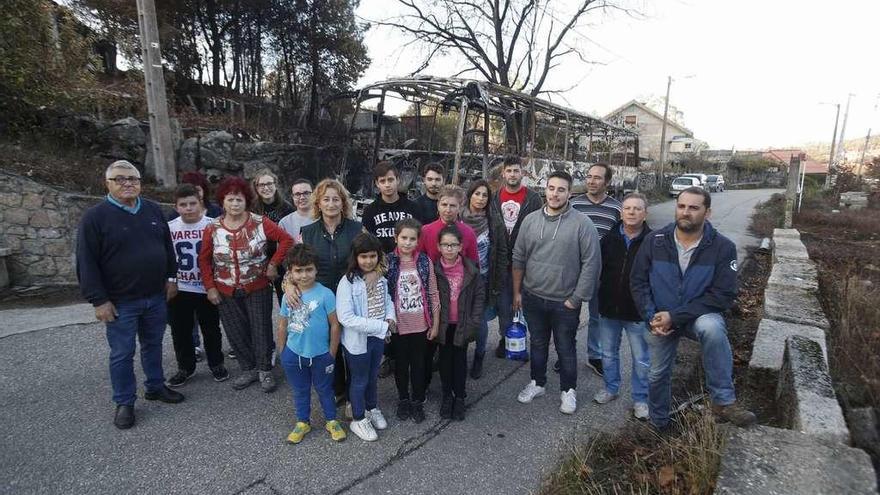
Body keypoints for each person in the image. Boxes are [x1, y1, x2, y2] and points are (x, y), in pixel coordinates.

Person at [630, 187, 757, 430]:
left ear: (707, 212)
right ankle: (659, 424)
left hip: (695, 316)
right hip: (659, 318)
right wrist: (650, 316)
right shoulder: (655, 241)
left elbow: (723, 295)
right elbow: (638, 281)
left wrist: (675, 316)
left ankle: (723, 400)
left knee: (712, 328)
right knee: (657, 374)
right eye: (681, 206)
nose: (685, 212)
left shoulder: (722, 247)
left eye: (693, 208)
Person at [76, 160, 183, 430]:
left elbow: (167, 248)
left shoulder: (152, 210)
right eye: (120, 179)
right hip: (120, 300)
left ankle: (156, 387)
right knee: (122, 353)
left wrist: (172, 277)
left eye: (132, 179)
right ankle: (125, 402)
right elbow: (86, 262)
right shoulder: (95, 217)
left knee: (153, 344)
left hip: (155, 296)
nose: (127, 184)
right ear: (108, 184)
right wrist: (98, 300)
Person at [512, 170, 600, 415]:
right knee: (538, 343)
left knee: (565, 348)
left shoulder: (583, 224)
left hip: (565, 302)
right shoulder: (530, 221)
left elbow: (592, 263)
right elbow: (518, 257)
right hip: (532, 297)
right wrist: (518, 292)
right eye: (551, 188)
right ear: (545, 189)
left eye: (561, 189)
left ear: (570, 193)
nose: (555, 193)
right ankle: (537, 383)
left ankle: (568, 391)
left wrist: (576, 299)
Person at [198, 177, 294, 393]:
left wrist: (273, 264)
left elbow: (286, 240)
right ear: (222, 201)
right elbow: (203, 259)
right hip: (224, 288)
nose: (234, 204)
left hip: (257, 285)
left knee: (260, 327)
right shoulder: (212, 228)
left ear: (246, 201)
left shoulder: (260, 222)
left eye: (239, 199)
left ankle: (264, 370)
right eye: (230, 199)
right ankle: (248, 369)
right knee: (235, 330)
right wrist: (210, 287)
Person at [297, 179, 364, 410]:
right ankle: (338, 390)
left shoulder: (357, 229)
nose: (331, 203)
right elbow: (296, 265)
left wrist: (374, 275)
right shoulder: (307, 232)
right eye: (326, 199)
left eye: (336, 199)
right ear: (318, 202)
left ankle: (356, 392)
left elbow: (373, 258)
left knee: (353, 347)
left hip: (352, 297)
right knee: (329, 346)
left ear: (343, 202)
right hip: (321, 299)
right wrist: (288, 284)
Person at [277, 244, 346, 444]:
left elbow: (335, 325)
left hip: (321, 354)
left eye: (309, 269)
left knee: (325, 389)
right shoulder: (288, 296)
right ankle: (302, 422)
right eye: (298, 270)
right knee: (300, 390)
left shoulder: (325, 294)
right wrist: (283, 352)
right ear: (290, 272)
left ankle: (331, 420)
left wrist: (332, 352)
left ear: (316, 269)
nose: (304, 275)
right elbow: (282, 324)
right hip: (294, 353)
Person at [593, 193, 651, 420]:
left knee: (641, 359)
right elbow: (597, 269)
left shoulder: (653, 241)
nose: (632, 212)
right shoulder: (608, 240)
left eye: (637, 208)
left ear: (645, 213)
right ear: (621, 212)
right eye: (627, 208)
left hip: (637, 311)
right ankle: (610, 388)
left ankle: (641, 398)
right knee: (608, 353)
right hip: (609, 308)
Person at [165, 184, 228, 388]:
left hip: (206, 286)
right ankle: (185, 367)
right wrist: (170, 281)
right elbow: (165, 257)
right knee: (180, 330)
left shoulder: (214, 224)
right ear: (176, 206)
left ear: (200, 203)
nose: (189, 208)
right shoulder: (170, 227)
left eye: (193, 203)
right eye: (183, 205)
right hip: (180, 287)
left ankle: (216, 363)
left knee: (211, 328)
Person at [417, 184, 478, 391]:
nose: (448, 209)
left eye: (453, 205)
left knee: (453, 350)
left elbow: (473, 268)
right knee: (426, 349)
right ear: (438, 205)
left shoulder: (468, 233)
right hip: (431, 299)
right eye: (444, 204)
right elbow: (418, 263)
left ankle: (452, 389)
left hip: (455, 301)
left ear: (460, 207)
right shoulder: (426, 231)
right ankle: (422, 387)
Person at [335, 233, 395, 442]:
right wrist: (380, 325)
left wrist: (390, 316)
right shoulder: (347, 283)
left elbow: (387, 300)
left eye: (372, 256)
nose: (368, 261)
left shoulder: (380, 278)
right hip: (357, 343)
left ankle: (371, 408)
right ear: (355, 257)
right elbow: (346, 317)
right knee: (359, 380)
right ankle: (358, 418)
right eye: (363, 257)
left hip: (377, 339)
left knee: (372, 377)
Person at [569, 163, 622, 377]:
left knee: (597, 317)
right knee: (568, 315)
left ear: (607, 182)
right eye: (589, 177)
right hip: (573, 269)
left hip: (603, 272)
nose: (591, 181)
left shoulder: (617, 208)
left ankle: (595, 356)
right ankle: (566, 354)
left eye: (597, 178)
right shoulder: (573, 205)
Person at [386, 218, 440, 423]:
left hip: (420, 324)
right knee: (400, 365)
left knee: (419, 364)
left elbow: (433, 293)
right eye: (403, 238)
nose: (407, 242)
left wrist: (434, 324)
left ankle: (418, 400)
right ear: (396, 238)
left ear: (418, 241)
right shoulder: (388, 261)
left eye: (412, 239)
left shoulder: (424, 261)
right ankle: (403, 399)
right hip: (398, 325)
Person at [488, 155, 542, 358]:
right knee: (504, 304)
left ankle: (528, 340)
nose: (512, 174)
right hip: (501, 260)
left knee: (526, 302)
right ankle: (506, 338)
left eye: (516, 170)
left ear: (522, 173)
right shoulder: (493, 197)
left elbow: (540, 227)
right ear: (503, 173)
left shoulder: (533, 198)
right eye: (509, 170)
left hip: (526, 260)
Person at [434, 224, 485, 421]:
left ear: (460, 246)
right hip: (444, 324)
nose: (449, 249)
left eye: (453, 245)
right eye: (445, 245)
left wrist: (474, 321)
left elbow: (479, 297)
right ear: (438, 246)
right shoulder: (434, 269)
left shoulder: (470, 269)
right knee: (445, 361)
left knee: (460, 361)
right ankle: (447, 396)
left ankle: (460, 397)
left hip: (462, 323)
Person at [460, 180, 507, 379]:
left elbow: (502, 251)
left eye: (484, 195)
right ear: (469, 195)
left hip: (484, 279)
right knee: (458, 318)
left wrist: (498, 280)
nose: (480, 199)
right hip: (459, 279)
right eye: (477, 194)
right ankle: (458, 356)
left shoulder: (494, 221)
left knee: (479, 322)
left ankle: (479, 355)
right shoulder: (457, 218)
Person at [250, 169, 295, 304]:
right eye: (261, 185)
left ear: (275, 185)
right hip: (259, 258)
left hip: (282, 259)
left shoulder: (287, 208)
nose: (266, 188)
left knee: (285, 299)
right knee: (260, 303)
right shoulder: (252, 209)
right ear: (256, 188)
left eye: (269, 183)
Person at [361, 161, 419, 254]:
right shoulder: (370, 211)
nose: (387, 185)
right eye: (382, 181)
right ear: (377, 183)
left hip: (408, 260)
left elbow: (420, 237)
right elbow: (367, 241)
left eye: (390, 180)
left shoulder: (413, 208)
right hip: (381, 262)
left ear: (398, 180)